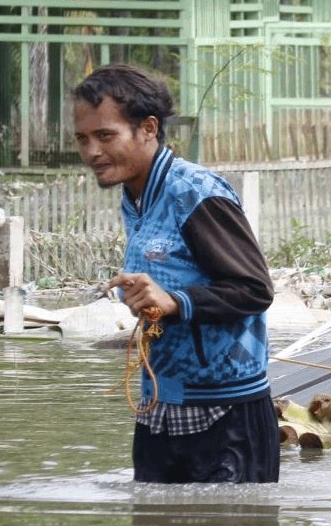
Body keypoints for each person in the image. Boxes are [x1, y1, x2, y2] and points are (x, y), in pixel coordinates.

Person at [72, 64, 279, 483]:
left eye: (105, 136)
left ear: (148, 129)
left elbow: (255, 289)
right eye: (82, 138)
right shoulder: (136, 196)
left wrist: (176, 301)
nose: (91, 151)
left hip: (225, 418)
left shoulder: (196, 193)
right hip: (159, 410)